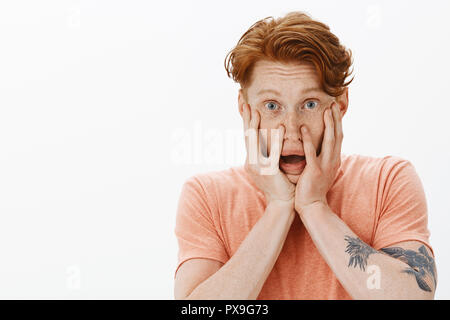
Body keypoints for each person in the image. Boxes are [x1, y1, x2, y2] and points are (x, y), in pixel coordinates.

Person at [173, 11, 437, 299]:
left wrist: (314, 206)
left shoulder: (388, 180)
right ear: (244, 108)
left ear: (341, 104)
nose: (292, 130)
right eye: (272, 106)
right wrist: (278, 207)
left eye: (309, 104)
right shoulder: (207, 196)